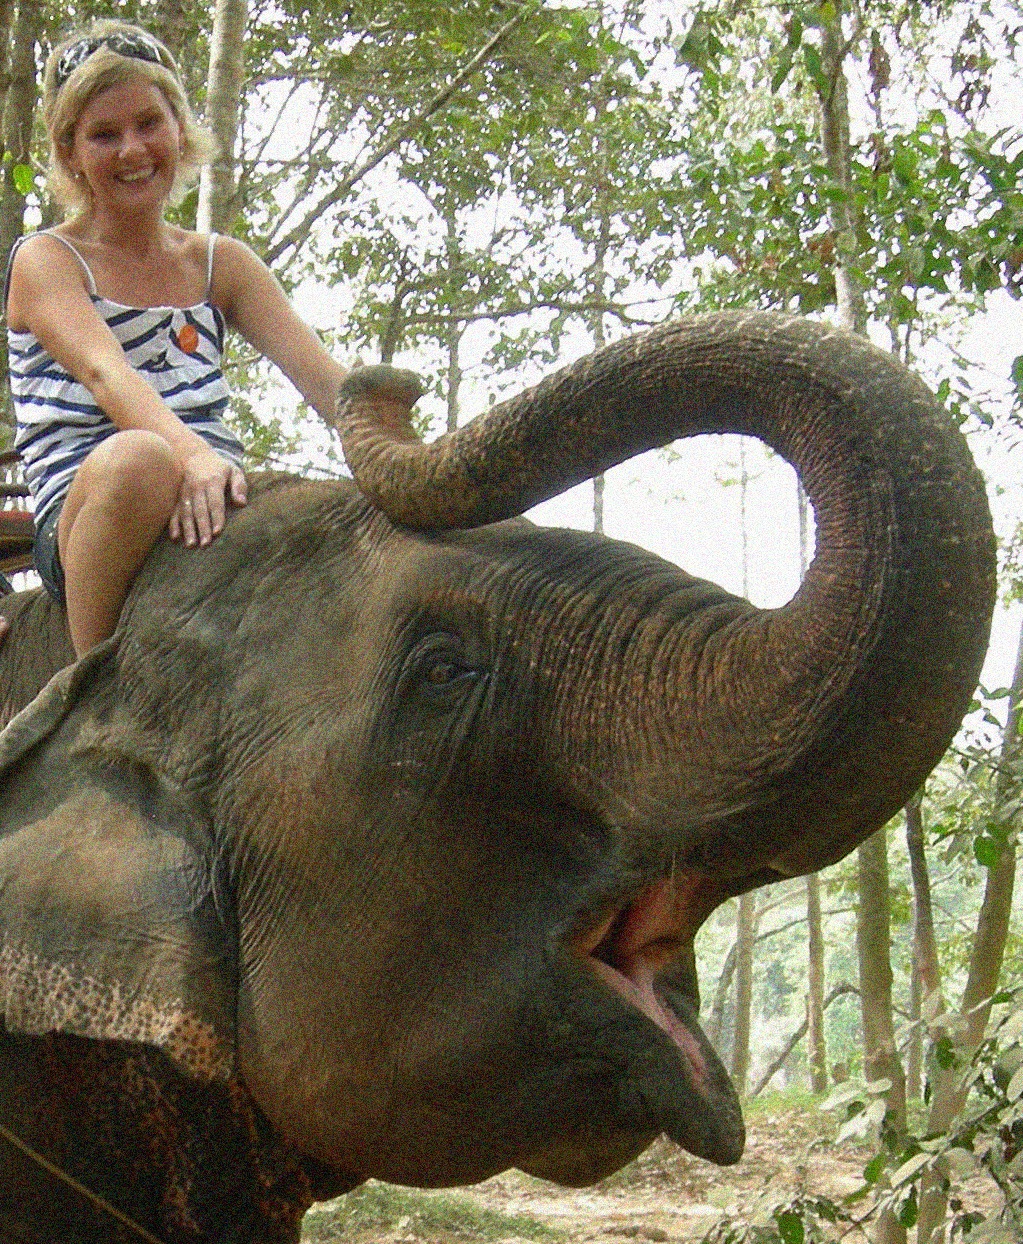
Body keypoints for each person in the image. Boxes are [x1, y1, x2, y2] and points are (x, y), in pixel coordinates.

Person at [5, 20, 349, 656]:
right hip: (93, 515)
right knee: (140, 460)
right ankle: (97, 687)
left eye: (148, 123)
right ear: (71, 154)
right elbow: (106, 372)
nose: (132, 149)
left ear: (180, 128)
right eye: (103, 135)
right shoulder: (46, 260)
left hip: (212, 504)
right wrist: (188, 455)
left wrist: (410, 464)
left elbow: (330, 386)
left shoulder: (222, 264)